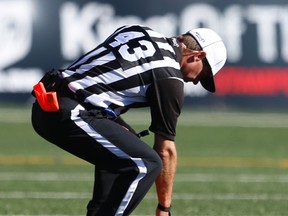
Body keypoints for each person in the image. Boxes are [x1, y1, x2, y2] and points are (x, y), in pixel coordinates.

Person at [31, 24, 227, 216]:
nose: (195, 81)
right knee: (145, 162)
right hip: (66, 113)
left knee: (125, 146)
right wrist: (164, 208)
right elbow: (165, 150)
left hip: (48, 99)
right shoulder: (170, 77)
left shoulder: (138, 30)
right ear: (198, 56)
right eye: (204, 74)